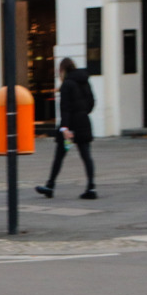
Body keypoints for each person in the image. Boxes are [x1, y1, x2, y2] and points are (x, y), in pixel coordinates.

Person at [36, 57, 97, 200]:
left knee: (59, 156)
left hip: (69, 128)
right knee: (86, 156)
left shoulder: (66, 85)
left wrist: (65, 128)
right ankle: (91, 187)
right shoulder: (84, 81)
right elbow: (92, 102)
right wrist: (83, 112)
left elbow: (65, 109)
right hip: (83, 123)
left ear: (62, 70)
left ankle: (50, 186)